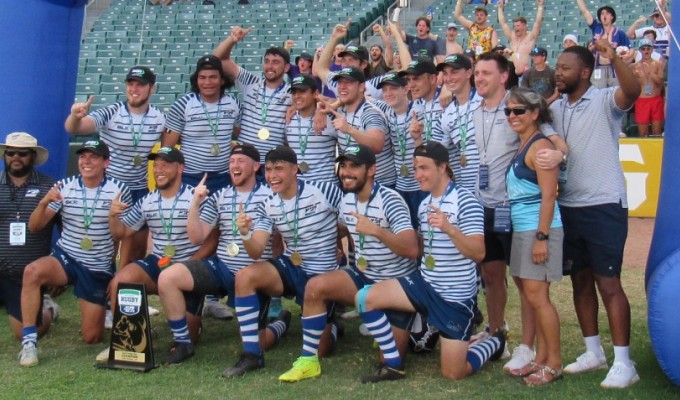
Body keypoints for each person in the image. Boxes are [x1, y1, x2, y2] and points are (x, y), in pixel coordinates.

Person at [353, 141, 506, 383]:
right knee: (365, 298)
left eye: (424, 168)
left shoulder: (466, 201)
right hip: (426, 286)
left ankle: (494, 342)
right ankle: (393, 365)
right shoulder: (424, 204)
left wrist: (449, 228)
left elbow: (478, 253)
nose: (418, 174)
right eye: (415, 168)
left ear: (443, 167)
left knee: (454, 373)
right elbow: (425, 248)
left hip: (454, 298)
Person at [278, 144, 419, 382]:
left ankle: (410, 324)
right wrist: (330, 241)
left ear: (372, 170)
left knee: (390, 363)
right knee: (315, 286)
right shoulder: (346, 200)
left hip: (396, 285)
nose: (346, 172)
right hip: (364, 276)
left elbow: (412, 249)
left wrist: (376, 231)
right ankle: (308, 361)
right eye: (343, 166)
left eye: (354, 166)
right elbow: (342, 227)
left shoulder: (390, 200)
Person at [544, 43, 640, 388]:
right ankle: (593, 352)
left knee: (609, 283)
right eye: (557, 66)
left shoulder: (604, 99)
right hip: (569, 205)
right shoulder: (556, 109)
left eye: (566, 68)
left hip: (603, 204)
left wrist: (612, 58)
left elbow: (633, 90)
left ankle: (624, 362)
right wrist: (551, 98)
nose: (558, 72)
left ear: (585, 72)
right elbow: (530, 114)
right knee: (580, 281)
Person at [156, 144, 291, 366]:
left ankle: (281, 323)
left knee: (260, 342)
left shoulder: (270, 197)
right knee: (168, 277)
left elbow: (267, 245)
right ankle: (183, 343)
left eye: (240, 161)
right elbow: (197, 237)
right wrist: (195, 203)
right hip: (220, 267)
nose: (234, 166)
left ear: (256, 166)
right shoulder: (220, 195)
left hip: (253, 273)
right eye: (231, 162)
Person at [472, 52, 567, 363]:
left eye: (486, 73)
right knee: (492, 272)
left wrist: (559, 156)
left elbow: (555, 143)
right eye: (477, 73)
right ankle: (497, 331)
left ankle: (528, 347)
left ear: (503, 76)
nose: (480, 78)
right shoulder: (473, 108)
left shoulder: (519, 105)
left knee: (527, 282)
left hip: (514, 210)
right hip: (485, 206)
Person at [222, 146, 343, 377]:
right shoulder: (267, 202)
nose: (272, 175)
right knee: (245, 276)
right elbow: (257, 250)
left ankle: (334, 324)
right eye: (268, 170)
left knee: (322, 351)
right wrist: (246, 233)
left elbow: (350, 221)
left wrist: (336, 242)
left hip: (322, 273)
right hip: (292, 266)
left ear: (295, 169)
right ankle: (252, 355)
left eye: (279, 168)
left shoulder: (324, 190)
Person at [18, 140, 131, 367]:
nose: (86, 161)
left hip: (97, 266)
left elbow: (122, 236)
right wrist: (43, 203)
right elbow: (34, 226)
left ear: (106, 162)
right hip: (66, 256)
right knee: (32, 271)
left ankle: (60, 306)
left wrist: (113, 217)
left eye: (93, 157)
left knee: (92, 337)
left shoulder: (119, 190)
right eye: (82, 156)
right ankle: (29, 343)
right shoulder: (65, 185)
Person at [103, 147, 211, 364]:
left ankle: (191, 325)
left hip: (188, 267)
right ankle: (130, 340)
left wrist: (195, 262)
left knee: (190, 336)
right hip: (159, 260)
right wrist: (113, 216)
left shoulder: (198, 196)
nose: (158, 170)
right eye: (156, 165)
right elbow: (123, 232)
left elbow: (212, 239)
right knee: (121, 280)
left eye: (165, 165)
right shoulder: (147, 200)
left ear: (181, 168)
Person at [65, 65, 165, 267]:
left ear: (152, 89)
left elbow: (168, 150)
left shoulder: (160, 117)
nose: (134, 89)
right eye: (130, 83)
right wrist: (75, 116)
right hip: (111, 188)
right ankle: (103, 282)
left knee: (136, 248)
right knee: (107, 243)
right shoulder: (112, 112)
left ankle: (128, 288)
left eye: (140, 85)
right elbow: (75, 128)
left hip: (138, 189)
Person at [503, 87, 563, 385]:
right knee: (533, 295)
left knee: (539, 298)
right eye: (509, 111)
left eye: (519, 111)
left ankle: (553, 363)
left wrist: (541, 237)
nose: (512, 116)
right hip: (524, 228)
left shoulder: (539, 147)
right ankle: (540, 358)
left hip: (537, 229)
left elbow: (549, 196)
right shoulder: (526, 144)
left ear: (535, 113)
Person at [0, 133, 59, 341]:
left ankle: (49, 309)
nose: (16, 157)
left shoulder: (49, 187)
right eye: (11, 152)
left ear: (32, 156)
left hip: (26, 274)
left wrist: (56, 266)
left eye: (22, 153)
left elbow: (65, 230)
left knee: (25, 332)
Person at [213, 27, 292, 171]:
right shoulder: (250, 82)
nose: (269, 66)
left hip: (273, 164)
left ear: (286, 68)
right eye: (267, 61)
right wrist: (233, 40)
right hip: (245, 161)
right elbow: (219, 59)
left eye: (275, 62)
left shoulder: (292, 93)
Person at [163, 56, 239, 193]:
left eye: (213, 77)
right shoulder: (183, 105)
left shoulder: (233, 104)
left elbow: (245, 136)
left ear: (222, 80)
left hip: (223, 176)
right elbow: (167, 149)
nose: (207, 82)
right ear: (196, 80)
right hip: (190, 176)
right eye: (202, 77)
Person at [325, 67, 395, 188]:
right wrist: (319, 113)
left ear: (362, 87)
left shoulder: (370, 112)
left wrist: (349, 130)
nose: (342, 86)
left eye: (348, 82)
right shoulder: (339, 111)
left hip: (380, 185)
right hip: (353, 183)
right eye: (340, 82)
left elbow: (377, 144)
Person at [373, 72, 426, 228]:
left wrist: (417, 138)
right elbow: (363, 98)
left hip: (420, 185)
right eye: (385, 90)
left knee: (423, 232)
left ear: (406, 89)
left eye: (393, 89)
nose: (388, 93)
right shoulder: (386, 112)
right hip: (400, 186)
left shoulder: (420, 112)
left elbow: (429, 152)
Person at [438, 54, 482, 193]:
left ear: (469, 73)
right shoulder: (447, 111)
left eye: (454, 72)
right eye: (445, 73)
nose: (449, 78)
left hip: (492, 190)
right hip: (465, 190)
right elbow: (440, 151)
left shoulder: (484, 100)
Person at [286, 74, 337, 182]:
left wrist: (321, 107)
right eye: (294, 92)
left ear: (316, 94)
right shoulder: (289, 118)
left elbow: (348, 101)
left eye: (302, 92)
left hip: (326, 187)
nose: (296, 96)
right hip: (298, 188)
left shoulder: (329, 118)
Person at [576, 1, 631, 88]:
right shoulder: (596, 27)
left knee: (615, 95)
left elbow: (629, 50)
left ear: (612, 17)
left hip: (614, 69)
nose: (604, 15)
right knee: (598, 95)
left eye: (607, 13)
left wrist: (624, 57)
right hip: (598, 68)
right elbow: (584, 11)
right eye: (602, 13)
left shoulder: (620, 33)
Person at [400, 59, 444, 145]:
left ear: (432, 79)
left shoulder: (447, 100)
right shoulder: (421, 103)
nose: (411, 85)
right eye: (408, 80)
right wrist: (417, 139)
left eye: (416, 79)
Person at [497, 0, 544, 77]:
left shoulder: (530, 37)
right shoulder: (512, 36)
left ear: (524, 26)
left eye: (518, 26)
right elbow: (503, 24)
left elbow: (537, 23)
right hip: (511, 71)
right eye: (514, 26)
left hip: (525, 72)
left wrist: (540, 6)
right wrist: (499, 8)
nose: (515, 28)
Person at [631, 38, 665, 137]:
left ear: (652, 49)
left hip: (656, 100)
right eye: (643, 49)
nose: (646, 51)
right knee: (643, 133)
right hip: (642, 100)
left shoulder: (658, 64)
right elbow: (632, 86)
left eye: (648, 48)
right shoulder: (635, 66)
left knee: (657, 132)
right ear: (640, 50)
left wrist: (652, 74)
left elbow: (660, 82)